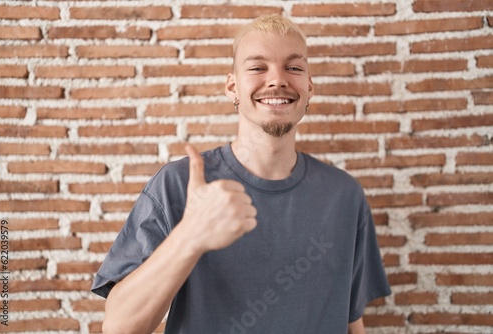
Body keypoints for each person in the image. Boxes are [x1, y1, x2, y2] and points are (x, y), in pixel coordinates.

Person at [91, 15, 391, 334]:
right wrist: (190, 235)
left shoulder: (345, 194)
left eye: (294, 67)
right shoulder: (177, 185)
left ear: (309, 86)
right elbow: (119, 327)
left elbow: (350, 319)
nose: (277, 80)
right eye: (258, 67)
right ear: (232, 86)